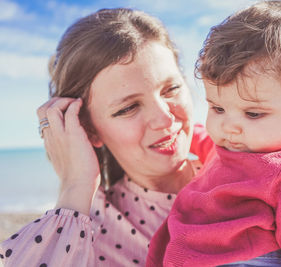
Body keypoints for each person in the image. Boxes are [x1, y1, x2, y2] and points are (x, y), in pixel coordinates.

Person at [147, 1, 281, 266]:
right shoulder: (229, 147)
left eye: (253, 114)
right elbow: (201, 137)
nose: (229, 126)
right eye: (218, 107)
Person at [0, 8, 204, 266]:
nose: (164, 118)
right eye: (128, 108)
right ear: (89, 129)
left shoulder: (247, 171)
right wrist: (76, 185)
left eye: (171, 88)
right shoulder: (85, 233)